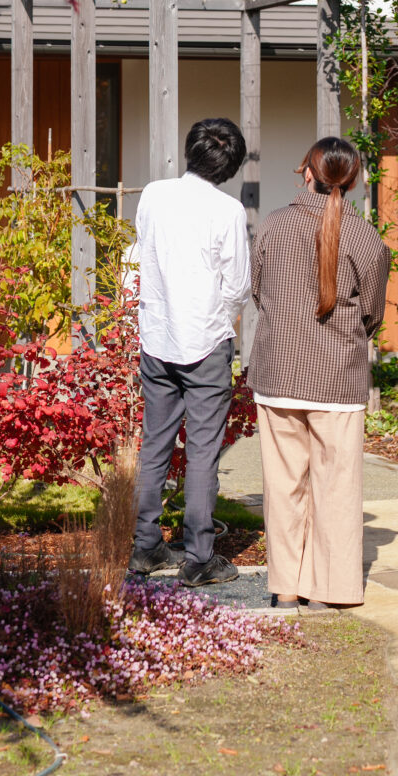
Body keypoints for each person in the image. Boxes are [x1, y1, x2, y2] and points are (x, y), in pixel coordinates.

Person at [249, 136, 391, 610]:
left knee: (283, 486)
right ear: (351, 182)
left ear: (306, 172)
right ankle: (332, 590)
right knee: (337, 488)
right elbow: (373, 314)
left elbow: (259, 293)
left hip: (279, 373)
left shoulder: (273, 226)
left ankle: (286, 588)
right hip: (339, 379)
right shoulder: (367, 237)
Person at [129, 118, 251, 587]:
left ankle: (145, 548)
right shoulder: (228, 210)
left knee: (154, 445)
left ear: (191, 150)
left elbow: (145, 253)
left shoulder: (154, 194)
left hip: (157, 337)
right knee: (202, 453)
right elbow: (237, 284)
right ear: (231, 165)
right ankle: (199, 557)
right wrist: (219, 317)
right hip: (204, 341)